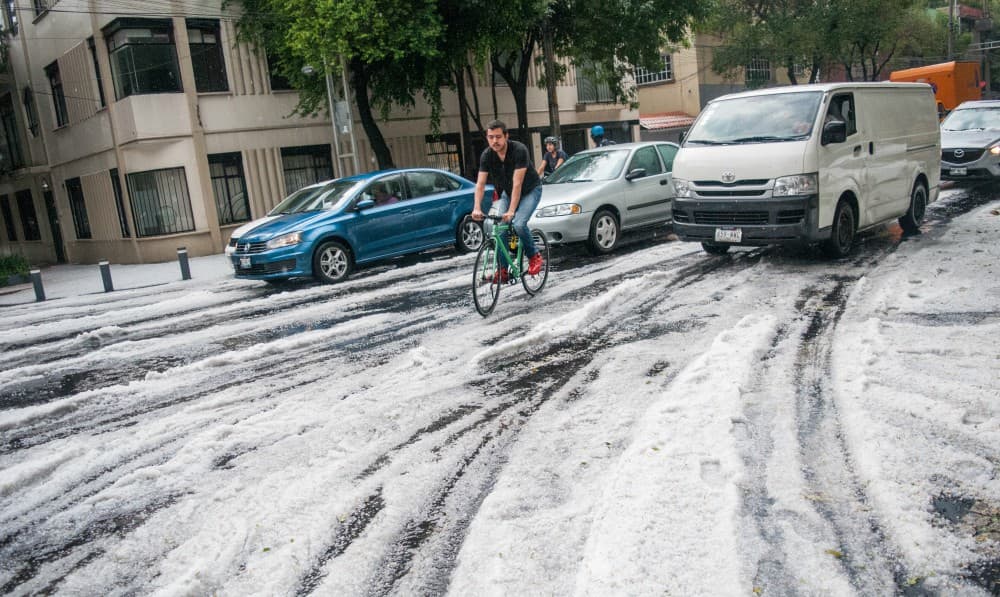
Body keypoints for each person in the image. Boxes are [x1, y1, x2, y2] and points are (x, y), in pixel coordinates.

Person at [472, 120, 544, 279]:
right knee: (499, 228)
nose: (494, 141)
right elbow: (481, 184)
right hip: (508, 193)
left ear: (506, 136)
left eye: (498, 137)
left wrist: (511, 211)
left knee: (518, 223)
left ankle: (534, 256)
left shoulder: (519, 150)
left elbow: (517, 184)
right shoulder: (487, 155)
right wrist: (476, 207)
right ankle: (503, 270)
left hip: (530, 190)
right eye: (490, 137)